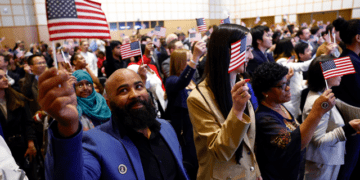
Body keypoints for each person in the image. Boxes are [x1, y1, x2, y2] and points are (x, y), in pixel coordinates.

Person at [39, 68, 189, 180]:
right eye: (123, 90)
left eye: (138, 86)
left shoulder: (166, 128)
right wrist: (68, 127)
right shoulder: (94, 142)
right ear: (109, 104)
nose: (135, 94)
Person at [187, 24, 262, 180]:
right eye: (247, 49)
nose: (251, 56)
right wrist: (237, 111)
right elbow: (220, 151)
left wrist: (255, 172)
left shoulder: (241, 84)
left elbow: (248, 142)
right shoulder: (198, 98)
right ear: (230, 53)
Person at [252, 62, 335, 180]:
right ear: (265, 92)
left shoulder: (279, 106)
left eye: (288, 82)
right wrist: (317, 112)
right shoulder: (264, 118)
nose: (288, 88)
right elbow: (294, 144)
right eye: (282, 85)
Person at [303, 55, 360, 180]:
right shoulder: (318, 102)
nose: (342, 75)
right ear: (326, 75)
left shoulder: (323, 95)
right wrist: (348, 129)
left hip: (327, 160)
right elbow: (318, 140)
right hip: (321, 163)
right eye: (337, 71)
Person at [165, 45, 205, 179]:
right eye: (188, 59)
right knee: (190, 161)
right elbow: (181, 82)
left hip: (196, 124)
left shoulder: (192, 81)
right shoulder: (171, 81)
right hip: (184, 129)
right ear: (179, 62)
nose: (192, 62)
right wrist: (195, 58)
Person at [332, 18, 360, 180]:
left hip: (345, 120)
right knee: (349, 167)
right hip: (351, 120)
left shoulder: (342, 57)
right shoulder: (350, 60)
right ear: (358, 37)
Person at [0, 69, 37, 179]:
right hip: (5, 148)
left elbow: (28, 123)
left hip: (23, 145)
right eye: (1, 77)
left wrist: (31, 143)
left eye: (5, 76)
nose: (5, 79)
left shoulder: (18, 97)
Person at [274, 38, 316, 119]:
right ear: (288, 46)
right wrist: (319, 58)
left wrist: (306, 83)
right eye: (292, 42)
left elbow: (297, 80)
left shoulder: (291, 59)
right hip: (289, 101)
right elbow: (303, 66)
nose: (295, 43)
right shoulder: (281, 62)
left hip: (296, 99)